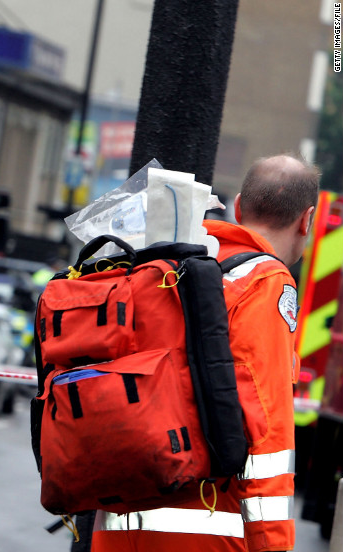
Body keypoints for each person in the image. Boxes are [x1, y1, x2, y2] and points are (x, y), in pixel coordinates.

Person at [91, 154, 319, 552]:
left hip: (114, 528)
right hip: (203, 530)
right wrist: (273, 544)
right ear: (307, 219)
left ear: (238, 208)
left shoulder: (166, 265)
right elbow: (266, 431)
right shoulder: (264, 283)